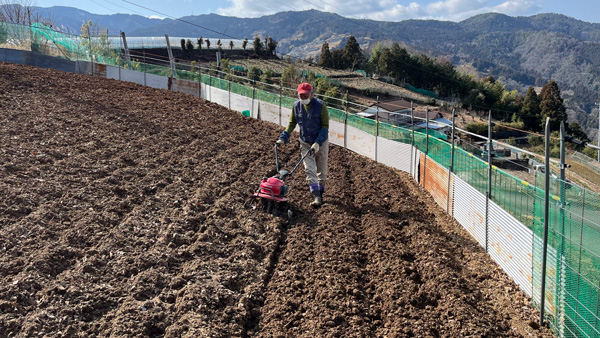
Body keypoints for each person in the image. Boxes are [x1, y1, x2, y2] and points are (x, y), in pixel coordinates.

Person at [276, 82, 330, 208]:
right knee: (309, 169)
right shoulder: (296, 106)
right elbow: (291, 123)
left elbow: (325, 127)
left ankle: (320, 193)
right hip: (305, 142)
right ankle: (316, 196)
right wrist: (283, 137)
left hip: (320, 142)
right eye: (301, 96)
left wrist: (317, 142)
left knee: (321, 172)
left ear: (311, 94)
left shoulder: (321, 106)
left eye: (305, 96)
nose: (303, 99)